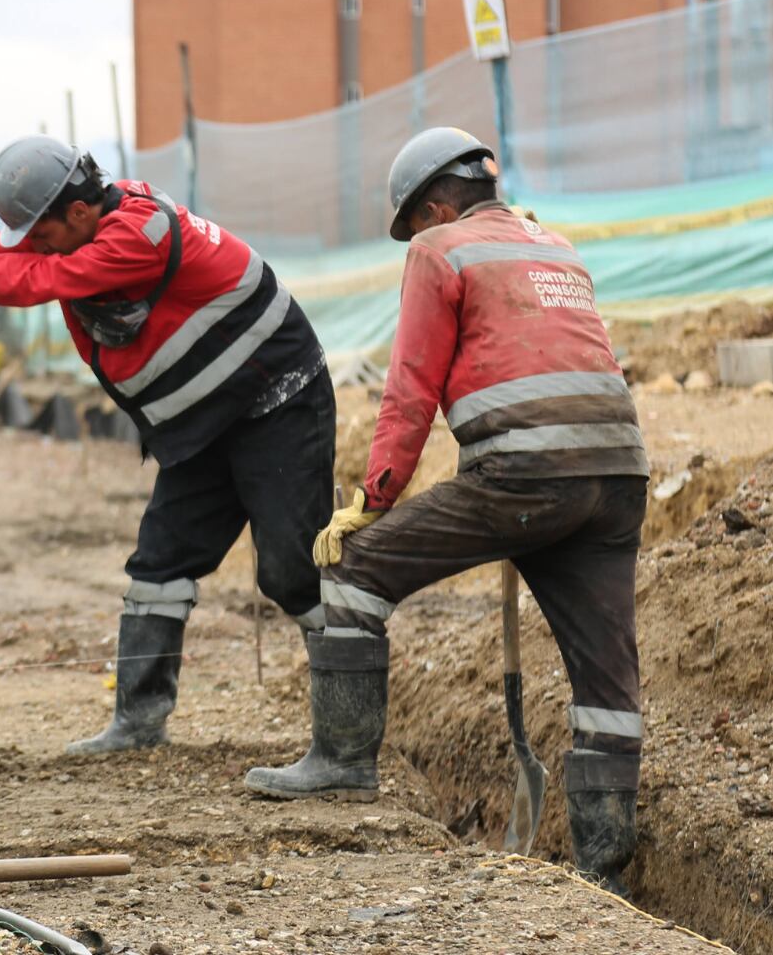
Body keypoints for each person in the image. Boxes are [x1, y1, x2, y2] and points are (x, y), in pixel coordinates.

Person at [245, 127, 648, 894]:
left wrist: (373, 500)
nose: (414, 238)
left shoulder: (440, 251)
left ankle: (342, 762)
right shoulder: (554, 246)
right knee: (608, 681)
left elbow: (411, 387)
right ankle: (606, 869)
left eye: (413, 223)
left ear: (434, 206)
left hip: (526, 476)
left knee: (355, 572)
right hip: (616, 474)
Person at [0, 135, 336, 756]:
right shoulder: (80, 222)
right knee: (160, 564)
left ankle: (343, 750)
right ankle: (138, 725)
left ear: (77, 213)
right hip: (206, 420)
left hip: (279, 402)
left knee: (294, 573)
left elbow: (33, 277)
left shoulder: (135, 237)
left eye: (43, 232)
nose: (38, 243)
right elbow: (2, 251)